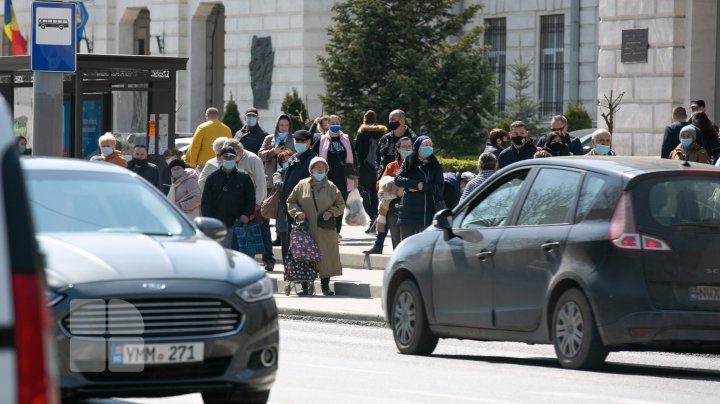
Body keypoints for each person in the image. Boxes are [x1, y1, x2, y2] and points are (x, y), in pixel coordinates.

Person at [286, 157, 345, 296]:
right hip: (306, 229)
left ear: (326, 170)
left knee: (326, 257)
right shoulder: (301, 185)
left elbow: (340, 204)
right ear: (311, 170)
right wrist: (297, 212)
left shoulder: (332, 187)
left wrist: (331, 212)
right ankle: (306, 286)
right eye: (316, 167)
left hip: (325, 230)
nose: (320, 169)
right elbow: (290, 201)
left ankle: (325, 287)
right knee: (306, 257)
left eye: (322, 167)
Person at [224, 138, 274, 270]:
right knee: (241, 233)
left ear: (240, 150)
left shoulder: (253, 159)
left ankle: (268, 259)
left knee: (263, 231)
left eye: (235, 154)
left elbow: (261, 183)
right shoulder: (228, 160)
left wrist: (257, 204)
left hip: (255, 202)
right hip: (238, 204)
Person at [363, 136, 412, 254]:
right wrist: (393, 186)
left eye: (409, 147)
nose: (407, 149)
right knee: (385, 207)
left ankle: (379, 245)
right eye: (404, 147)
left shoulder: (415, 166)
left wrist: (403, 188)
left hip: (410, 201)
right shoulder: (392, 166)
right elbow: (380, 184)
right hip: (393, 200)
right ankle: (378, 245)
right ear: (398, 149)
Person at [200, 147, 256, 249]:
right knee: (220, 254)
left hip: (239, 223)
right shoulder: (212, 178)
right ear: (220, 158)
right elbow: (206, 202)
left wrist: (246, 214)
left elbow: (251, 198)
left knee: (239, 255)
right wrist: (209, 222)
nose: (229, 160)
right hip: (218, 224)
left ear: (236, 159)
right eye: (226, 157)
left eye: (232, 157)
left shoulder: (244, 177)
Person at [313, 114, 358, 235]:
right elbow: (313, 156)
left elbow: (354, 157)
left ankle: (337, 231)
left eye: (337, 123)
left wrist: (356, 177)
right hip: (326, 179)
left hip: (344, 179)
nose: (334, 125)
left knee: (339, 205)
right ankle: (327, 229)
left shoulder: (346, 139)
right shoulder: (322, 140)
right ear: (327, 124)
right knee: (327, 205)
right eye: (332, 123)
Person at [277, 130, 317, 261]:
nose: (299, 144)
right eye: (297, 141)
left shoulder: (312, 159)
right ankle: (293, 272)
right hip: (290, 208)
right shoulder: (295, 157)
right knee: (291, 243)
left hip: (302, 210)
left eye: (302, 141)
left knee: (302, 244)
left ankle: (304, 276)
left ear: (309, 142)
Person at [395, 135, 444, 240]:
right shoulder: (409, 161)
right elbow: (398, 179)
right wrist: (415, 184)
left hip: (427, 212)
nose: (428, 147)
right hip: (408, 211)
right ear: (418, 147)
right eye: (425, 144)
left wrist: (423, 187)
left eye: (430, 145)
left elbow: (439, 188)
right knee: (406, 244)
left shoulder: (435, 165)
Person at [354, 110, 387, 232]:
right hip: (378, 171)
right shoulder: (383, 134)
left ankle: (373, 218)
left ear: (364, 121)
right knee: (375, 196)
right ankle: (377, 218)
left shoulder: (362, 134)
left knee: (365, 197)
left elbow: (357, 154)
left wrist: (355, 171)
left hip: (364, 171)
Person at [259, 114, 295, 193]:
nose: (284, 128)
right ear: (277, 126)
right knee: (270, 203)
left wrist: (292, 153)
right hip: (271, 177)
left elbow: (300, 154)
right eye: (281, 125)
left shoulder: (294, 138)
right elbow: (260, 155)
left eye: (286, 125)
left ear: (290, 126)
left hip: (288, 175)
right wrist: (273, 151)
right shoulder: (269, 138)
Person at [377, 109, 417, 179]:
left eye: (392, 119)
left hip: (406, 180)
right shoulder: (385, 138)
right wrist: (378, 174)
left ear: (401, 120)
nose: (390, 122)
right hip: (386, 180)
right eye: (389, 120)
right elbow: (377, 158)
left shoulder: (413, 139)